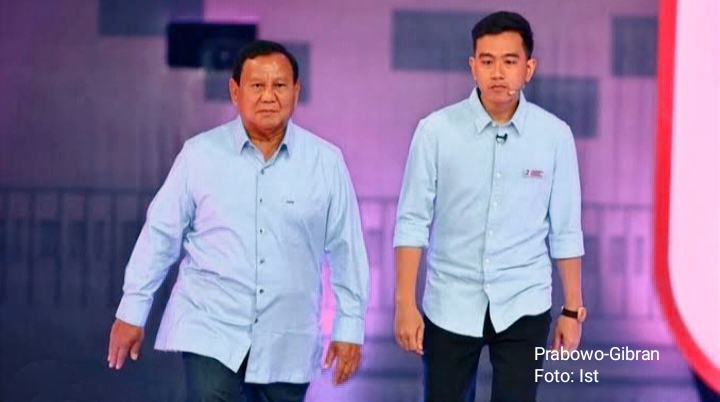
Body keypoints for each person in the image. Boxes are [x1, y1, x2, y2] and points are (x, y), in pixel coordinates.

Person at [106, 40, 370, 402]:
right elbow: (160, 235)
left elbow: (346, 250)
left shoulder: (326, 162)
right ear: (235, 92)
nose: (268, 96)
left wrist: (350, 327)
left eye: (279, 85)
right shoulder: (199, 155)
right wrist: (132, 310)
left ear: (296, 91)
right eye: (257, 85)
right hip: (210, 326)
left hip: (287, 339)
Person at [393, 11, 585, 402]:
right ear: (473, 67)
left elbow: (565, 229)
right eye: (487, 61)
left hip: (524, 301)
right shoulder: (435, 131)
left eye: (510, 61)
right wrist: (405, 303)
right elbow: (412, 221)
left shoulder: (554, 136)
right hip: (450, 300)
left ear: (528, 68)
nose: (498, 73)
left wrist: (571, 309)